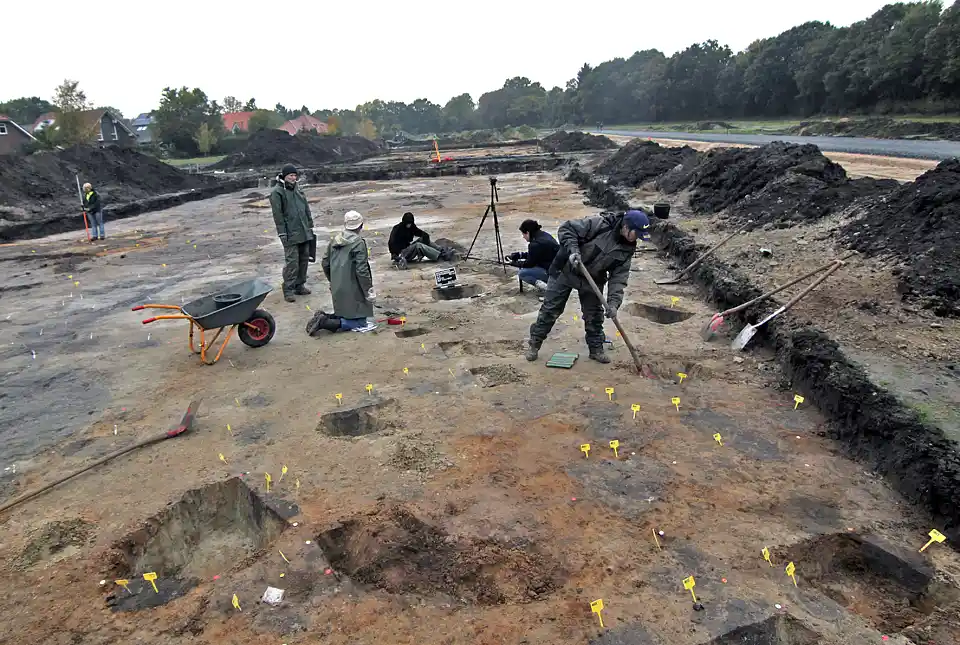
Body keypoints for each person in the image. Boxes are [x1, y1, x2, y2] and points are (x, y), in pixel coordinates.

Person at [525, 209, 651, 364]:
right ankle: (535, 343)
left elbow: (618, 279)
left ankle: (596, 349)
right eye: (636, 233)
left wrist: (613, 304)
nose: (637, 238)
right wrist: (573, 250)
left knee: (594, 315)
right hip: (565, 269)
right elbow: (567, 228)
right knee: (551, 309)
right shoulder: (599, 225)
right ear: (626, 226)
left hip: (592, 278)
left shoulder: (627, 250)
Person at [317, 211, 377, 332]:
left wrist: (332, 281)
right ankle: (325, 323)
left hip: (337, 287)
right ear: (361, 225)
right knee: (360, 322)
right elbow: (362, 270)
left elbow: (325, 263)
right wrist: (368, 291)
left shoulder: (335, 240)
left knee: (343, 312)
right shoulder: (358, 243)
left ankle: (325, 317)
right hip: (353, 289)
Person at [270, 164, 315, 302]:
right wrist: (282, 234)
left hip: (304, 231)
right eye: (291, 175)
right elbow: (278, 215)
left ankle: (299, 285)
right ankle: (288, 289)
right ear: (284, 176)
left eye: (295, 175)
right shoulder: (277, 193)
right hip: (290, 234)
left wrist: (310, 225)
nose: (293, 178)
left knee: (304, 260)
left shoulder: (298, 190)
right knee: (292, 262)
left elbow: (306, 208)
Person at [507, 219, 559, 292]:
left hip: (553, 273)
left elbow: (529, 263)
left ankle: (548, 290)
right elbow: (536, 254)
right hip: (558, 269)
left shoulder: (535, 244)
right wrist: (520, 255)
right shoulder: (544, 235)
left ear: (527, 232)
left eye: (523, 234)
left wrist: (515, 263)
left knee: (522, 273)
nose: (523, 237)